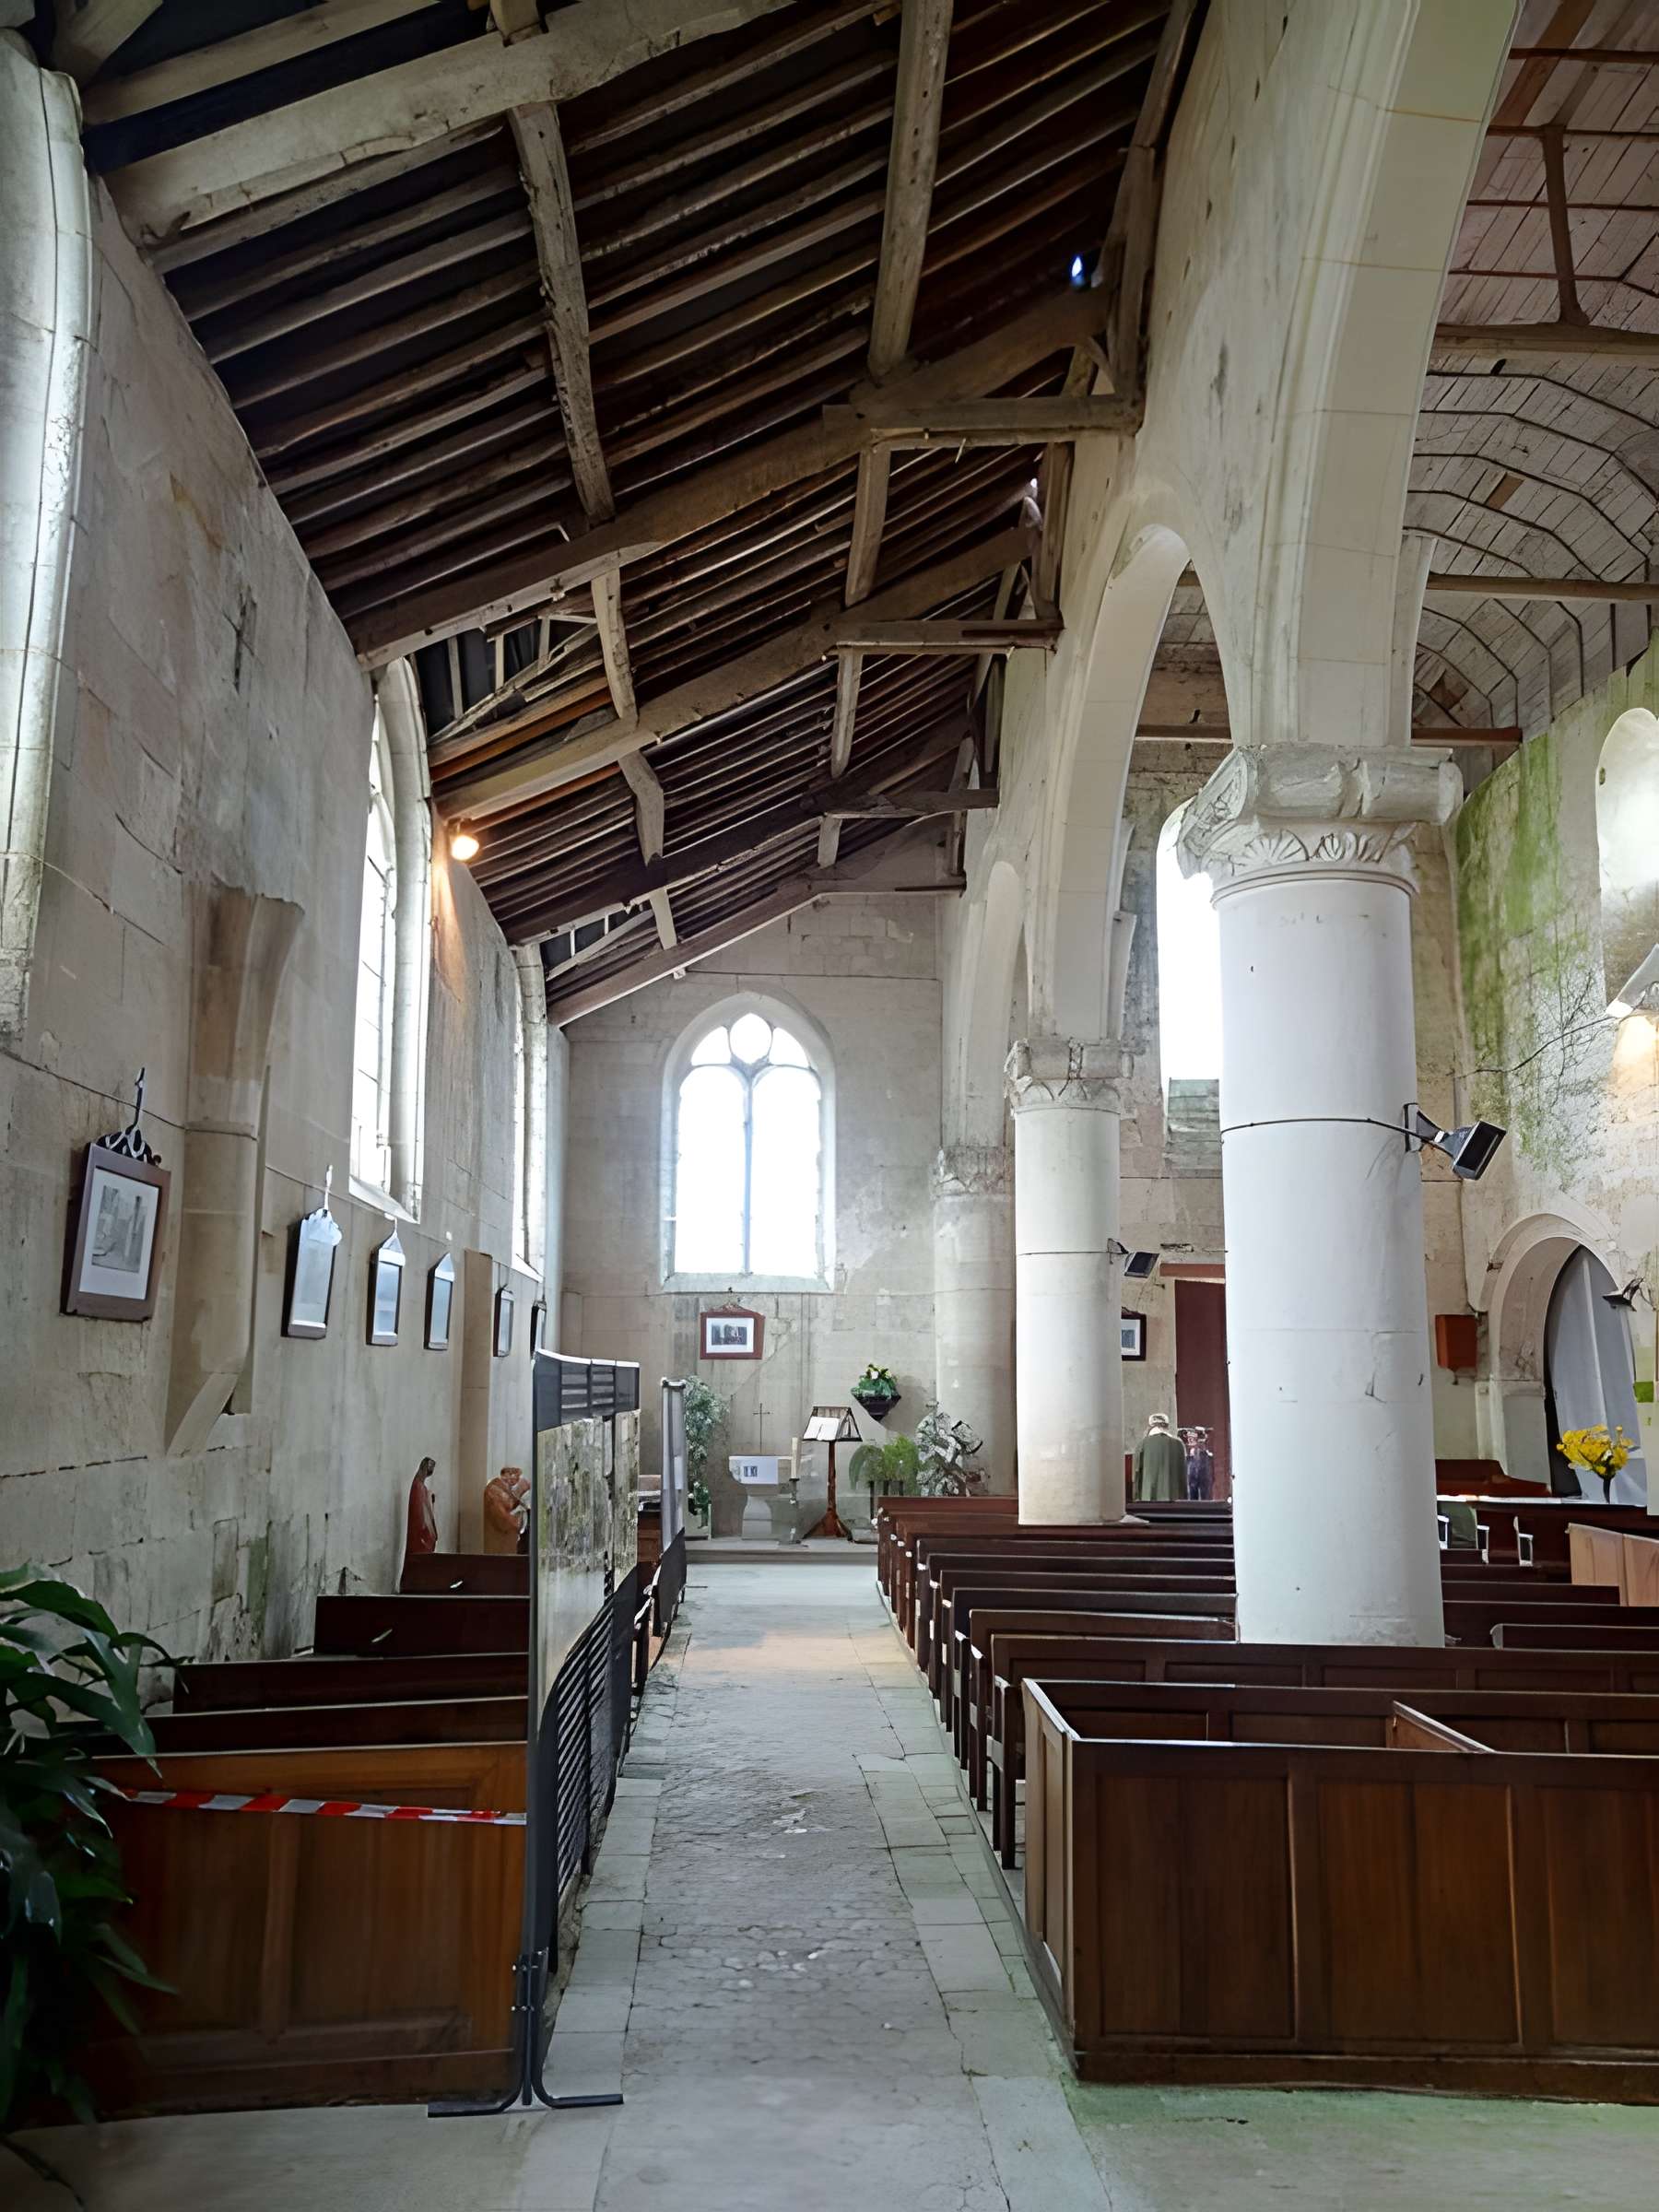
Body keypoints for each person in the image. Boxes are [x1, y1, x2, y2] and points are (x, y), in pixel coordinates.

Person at [1133, 1412, 1187, 1503]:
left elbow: (1137, 1473)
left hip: (1148, 1499)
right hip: (1174, 1499)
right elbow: (1183, 1475)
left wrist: (1136, 1497)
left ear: (1151, 1426)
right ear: (1166, 1426)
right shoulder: (1179, 1445)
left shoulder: (1142, 1444)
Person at [1184, 1426, 1216, 1502]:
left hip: (1202, 1474)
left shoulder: (1206, 1454)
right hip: (1194, 1475)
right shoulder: (1191, 1452)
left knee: (1205, 1496)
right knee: (1193, 1496)